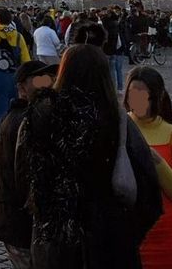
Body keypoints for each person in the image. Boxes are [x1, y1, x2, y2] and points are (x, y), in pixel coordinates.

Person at [17, 44, 163, 269]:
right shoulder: (116, 120)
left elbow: (22, 178)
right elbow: (148, 189)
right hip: (109, 239)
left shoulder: (38, 117)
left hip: (56, 240)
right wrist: (126, 231)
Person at [124, 66, 172, 269]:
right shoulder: (117, 131)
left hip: (169, 241)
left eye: (144, 95)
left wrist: (156, 162)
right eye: (133, 94)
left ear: (157, 97)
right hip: (126, 239)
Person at [0, 60, 58, 269]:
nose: (48, 83)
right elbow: (25, 179)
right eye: (40, 80)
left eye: (50, 78)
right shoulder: (24, 122)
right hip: (21, 226)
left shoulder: (26, 117)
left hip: (19, 224)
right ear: (22, 88)